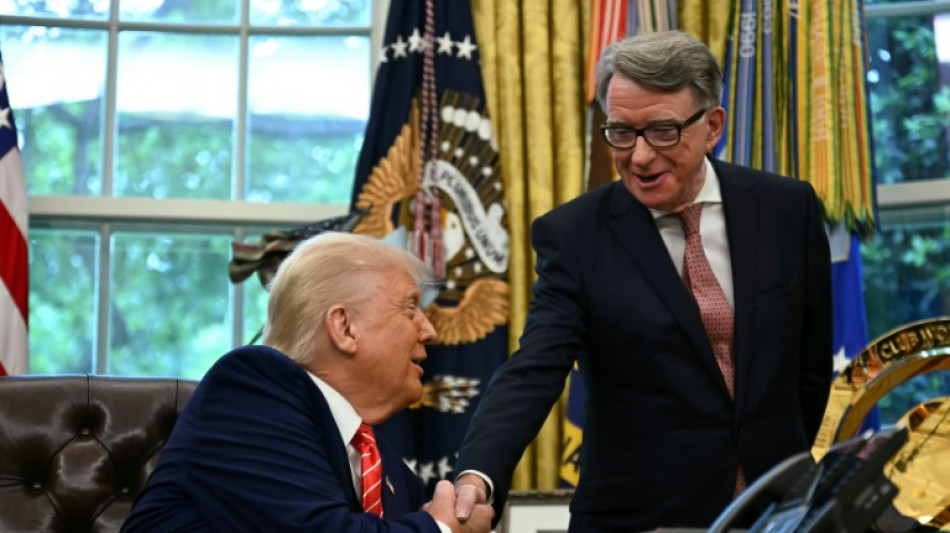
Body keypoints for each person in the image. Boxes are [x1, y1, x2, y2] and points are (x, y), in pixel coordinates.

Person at [452, 30, 832, 533]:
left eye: (662, 131)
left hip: (776, 508)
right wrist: (478, 474)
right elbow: (535, 367)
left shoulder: (787, 208)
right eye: (622, 132)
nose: (640, 156)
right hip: (641, 518)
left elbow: (810, 366)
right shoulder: (574, 235)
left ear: (712, 126)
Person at [122, 232, 494, 533]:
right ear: (344, 327)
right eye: (410, 308)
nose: (429, 331)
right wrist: (442, 528)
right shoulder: (250, 391)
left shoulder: (391, 470)